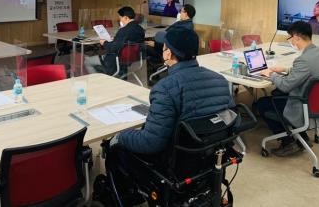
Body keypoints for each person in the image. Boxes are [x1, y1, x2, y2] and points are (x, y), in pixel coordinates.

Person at [96, 28, 234, 204]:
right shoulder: (220, 80)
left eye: (163, 48)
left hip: (173, 166)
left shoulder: (165, 88)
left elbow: (151, 142)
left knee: (114, 147)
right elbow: (230, 122)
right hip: (209, 158)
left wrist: (120, 137)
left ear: (168, 53)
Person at [257, 21, 319, 157]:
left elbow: (286, 86)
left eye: (290, 38)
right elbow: (311, 70)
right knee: (276, 95)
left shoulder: (303, 60)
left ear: (296, 37)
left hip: (304, 107)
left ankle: (288, 143)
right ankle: (302, 137)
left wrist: (271, 73)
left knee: (263, 103)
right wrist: (285, 69)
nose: (290, 41)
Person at [84, 6, 145, 76]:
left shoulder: (123, 30)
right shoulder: (140, 29)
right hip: (134, 60)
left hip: (117, 60)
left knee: (87, 61)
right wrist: (115, 40)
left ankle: (100, 81)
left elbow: (112, 49)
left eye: (120, 18)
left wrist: (104, 43)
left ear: (126, 18)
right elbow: (125, 43)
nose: (120, 21)